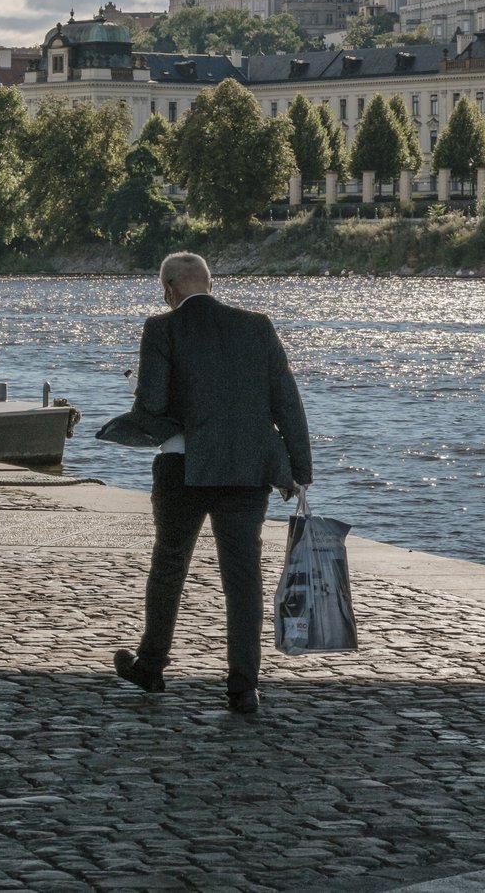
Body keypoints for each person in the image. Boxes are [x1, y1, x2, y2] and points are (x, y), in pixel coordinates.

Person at [108, 251, 312, 712]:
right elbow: (287, 401)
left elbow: (155, 404)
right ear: (209, 284)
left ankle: (152, 665)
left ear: (168, 289)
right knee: (242, 577)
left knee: (170, 563)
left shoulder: (161, 329)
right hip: (247, 470)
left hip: (185, 467)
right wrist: (300, 469)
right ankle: (243, 686)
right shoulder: (256, 326)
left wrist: (137, 405)